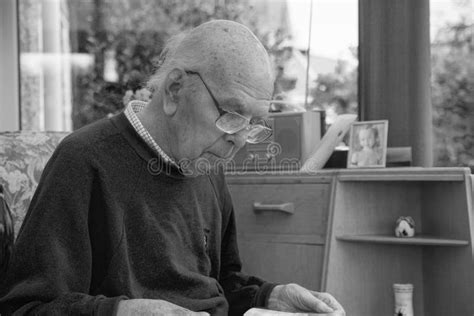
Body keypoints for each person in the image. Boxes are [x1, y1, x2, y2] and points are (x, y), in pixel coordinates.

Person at [0, 20, 345, 316]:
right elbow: (27, 307)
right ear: (175, 89)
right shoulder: (83, 160)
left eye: (252, 123)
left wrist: (271, 296)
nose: (239, 139)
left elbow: (221, 284)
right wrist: (122, 311)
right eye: (230, 115)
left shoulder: (208, 166)